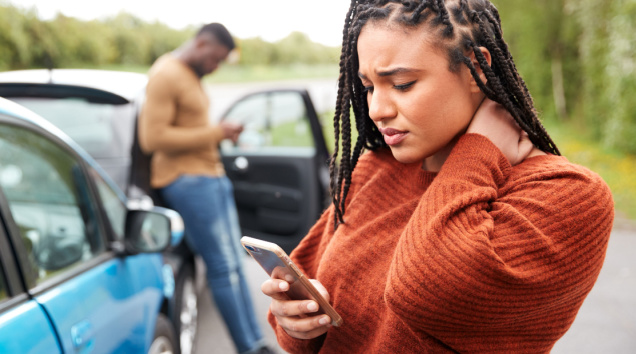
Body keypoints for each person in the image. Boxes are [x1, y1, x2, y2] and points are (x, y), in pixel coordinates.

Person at [260, 1, 615, 353]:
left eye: (401, 84)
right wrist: (299, 325)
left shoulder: (569, 195)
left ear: (475, 69)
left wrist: (478, 151)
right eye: (368, 87)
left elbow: (423, 293)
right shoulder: (375, 168)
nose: (377, 110)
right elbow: (305, 300)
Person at [138, 23, 272, 354]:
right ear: (201, 44)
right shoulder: (166, 74)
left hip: (210, 177)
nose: (216, 67)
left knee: (237, 266)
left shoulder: (190, 75)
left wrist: (218, 135)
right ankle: (249, 348)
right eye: (215, 58)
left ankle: (257, 342)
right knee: (223, 268)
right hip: (188, 180)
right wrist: (216, 133)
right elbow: (151, 138)